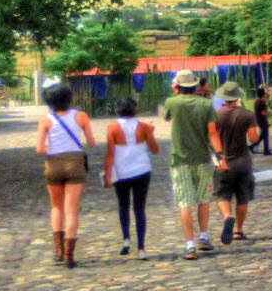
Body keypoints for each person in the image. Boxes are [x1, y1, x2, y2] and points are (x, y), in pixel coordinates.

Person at [163, 69, 227, 260]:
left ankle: (190, 245)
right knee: (203, 200)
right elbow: (212, 134)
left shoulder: (171, 102)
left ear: (178, 86)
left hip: (179, 160)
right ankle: (204, 237)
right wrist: (220, 158)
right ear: (195, 85)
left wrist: (174, 92)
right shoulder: (207, 105)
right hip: (203, 158)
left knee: (185, 203)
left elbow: (167, 117)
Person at [35, 82, 95, 268]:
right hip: (74, 163)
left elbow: (39, 149)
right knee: (71, 209)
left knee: (56, 207)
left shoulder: (45, 120)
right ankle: (70, 254)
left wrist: (51, 148)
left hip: (53, 164)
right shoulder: (81, 116)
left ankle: (58, 250)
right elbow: (91, 142)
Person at [103, 96, 159, 259]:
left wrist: (107, 174)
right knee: (139, 208)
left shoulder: (112, 128)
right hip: (142, 170)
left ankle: (126, 238)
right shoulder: (143, 127)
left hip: (121, 172)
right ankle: (141, 248)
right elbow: (154, 149)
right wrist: (151, 133)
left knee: (123, 206)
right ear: (135, 109)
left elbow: (109, 154)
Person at [213, 82, 261, 244]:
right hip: (243, 161)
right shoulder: (247, 115)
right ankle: (238, 231)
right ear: (238, 97)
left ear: (223, 97)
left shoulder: (215, 114)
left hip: (223, 160)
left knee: (222, 194)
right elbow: (253, 138)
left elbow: (210, 137)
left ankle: (228, 216)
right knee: (243, 196)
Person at [251, 85, 272, 155]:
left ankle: (253, 146)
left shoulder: (256, 101)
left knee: (262, 136)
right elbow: (263, 113)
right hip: (263, 121)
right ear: (263, 94)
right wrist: (270, 114)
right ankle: (266, 150)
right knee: (265, 136)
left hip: (258, 120)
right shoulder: (262, 102)